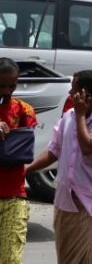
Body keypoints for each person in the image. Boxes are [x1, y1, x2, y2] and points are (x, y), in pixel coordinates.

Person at [27, 69, 92, 264]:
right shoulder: (68, 116)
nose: (70, 94)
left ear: (85, 95)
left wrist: (80, 116)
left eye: (74, 91)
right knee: (67, 259)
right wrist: (27, 169)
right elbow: (53, 151)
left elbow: (88, 148)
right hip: (67, 202)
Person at [0, 58, 36, 264]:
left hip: (14, 196)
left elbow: (23, 149)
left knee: (11, 259)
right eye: (1, 86)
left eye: (11, 86)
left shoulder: (24, 110)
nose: (6, 91)